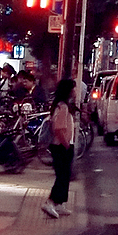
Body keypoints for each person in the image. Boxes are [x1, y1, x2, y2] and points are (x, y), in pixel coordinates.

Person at [44, 78, 76, 218]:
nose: (75, 91)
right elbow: (58, 129)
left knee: (65, 175)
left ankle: (60, 203)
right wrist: (67, 145)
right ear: (68, 91)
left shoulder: (61, 105)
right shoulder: (62, 107)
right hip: (61, 146)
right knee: (62, 176)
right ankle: (50, 202)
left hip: (61, 145)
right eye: (73, 89)